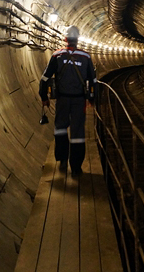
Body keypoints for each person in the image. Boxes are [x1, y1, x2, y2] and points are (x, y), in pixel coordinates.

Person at [39, 26, 97, 176]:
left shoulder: (57, 55)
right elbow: (93, 81)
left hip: (62, 99)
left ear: (65, 39)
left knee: (60, 128)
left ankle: (62, 160)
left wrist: (44, 97)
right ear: (77, 40)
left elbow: (44, 79)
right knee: (77, 132)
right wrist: (92, 98)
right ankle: (76, 167)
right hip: (79, 101)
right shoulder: (85, 57)